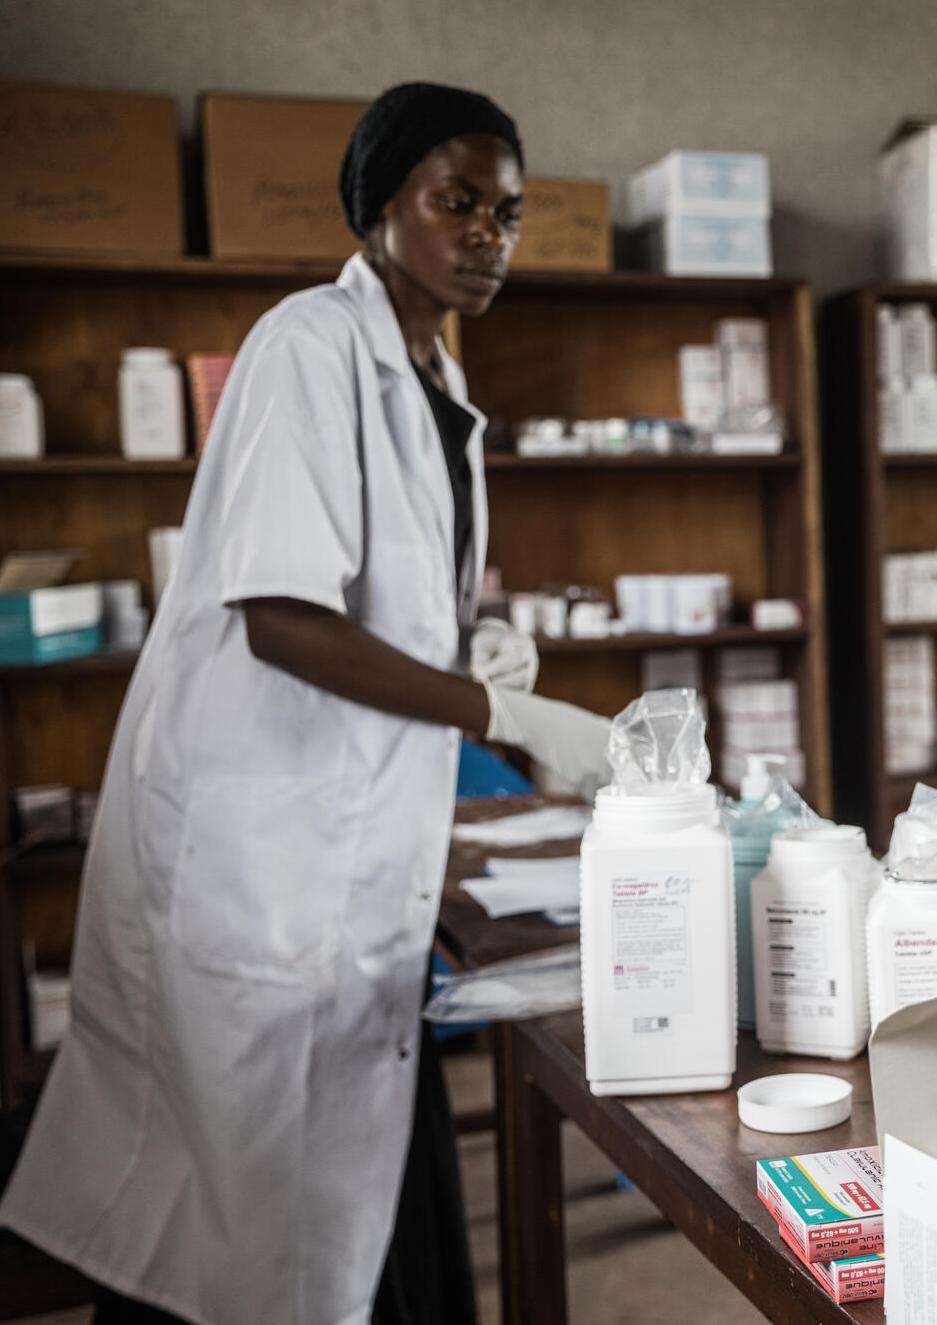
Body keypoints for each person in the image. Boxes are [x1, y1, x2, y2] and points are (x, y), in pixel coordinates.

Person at [0, 83, 614, 1325]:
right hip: (257, 856)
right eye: (457, 202)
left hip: (348, 859)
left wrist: (468, 644)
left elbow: (370, 590)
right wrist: (502, 720)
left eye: (506, 211)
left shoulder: (436, 374)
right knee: (225, 1225)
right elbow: (280, 615)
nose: (488, 234)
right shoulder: (306, 344)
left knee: (337, 1189)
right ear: (378, 205)